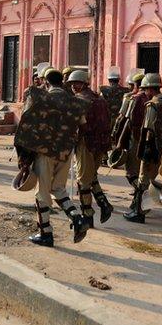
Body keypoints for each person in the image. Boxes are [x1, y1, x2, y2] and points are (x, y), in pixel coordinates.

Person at [15, 68, 91, 247]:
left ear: (46, 82)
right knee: (58, 188)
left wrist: (24, 157)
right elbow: (83, 128)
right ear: (62, 83)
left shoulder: (40, 99)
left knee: (41, 193)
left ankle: (45, 233)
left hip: (44, 152)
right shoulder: (75, 102)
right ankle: (78, 218)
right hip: (66, 151)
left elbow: (25, 126)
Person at [124, 73, 162, 230]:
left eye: (145, 90)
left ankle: (138, 212)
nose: (144, 92)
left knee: (143, 181)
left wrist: (144, 151)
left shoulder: (152, 104)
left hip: (153, 148)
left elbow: (148, 130)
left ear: (150, 90)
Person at [68, 70, 114, 224]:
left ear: (84, 84)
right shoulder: (99, 99)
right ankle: (103, 203)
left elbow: (77, 126)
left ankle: (87, 214)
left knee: (83, 180)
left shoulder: (79, 100)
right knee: (91, 175)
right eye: (72, 84)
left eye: (76, 83)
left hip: (86, 143)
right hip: (101, 143)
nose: (74, 86)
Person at [115, 72, 147, 191]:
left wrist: (119, 141)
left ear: (135, 85)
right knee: (143, 171)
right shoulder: (154, 98)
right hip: (150, 139)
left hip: (135, 136)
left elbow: (124, 118)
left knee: (130, 171)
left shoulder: (132, 98)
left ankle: (141, 193)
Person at [98, 67, 129, 132]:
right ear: (118, 80)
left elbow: (100, 105)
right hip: (121, 120)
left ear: (109, 80)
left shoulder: (104, 90)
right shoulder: (126, 91)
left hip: (107, 120)